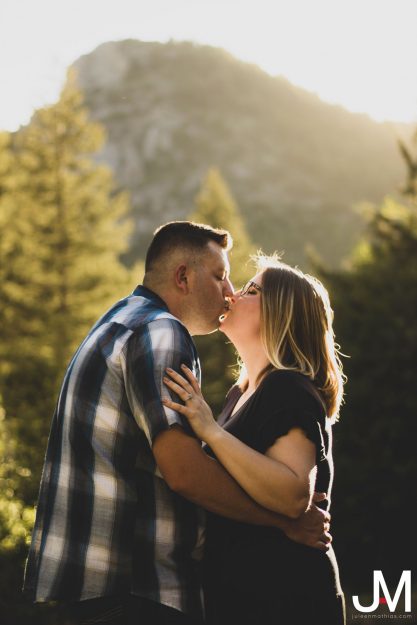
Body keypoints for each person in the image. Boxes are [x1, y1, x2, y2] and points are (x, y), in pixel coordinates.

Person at [23, 223, 332, 625]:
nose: (230, 291)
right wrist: (283, 523)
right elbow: (185, 473)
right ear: (183, 276)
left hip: (116, 583)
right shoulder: (161, 332)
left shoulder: (119, 321)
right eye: (221, 276)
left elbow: (282, 487)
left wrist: (212, 433)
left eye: (243, 286)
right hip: (139, 584)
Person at [163, 254, 346, 625]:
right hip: (245, 593)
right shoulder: (241, 393)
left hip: (286, 596)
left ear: (280, 313)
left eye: (251, 290)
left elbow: (294, 495)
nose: (232, 294)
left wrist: (210, 430)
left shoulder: (288, 388)